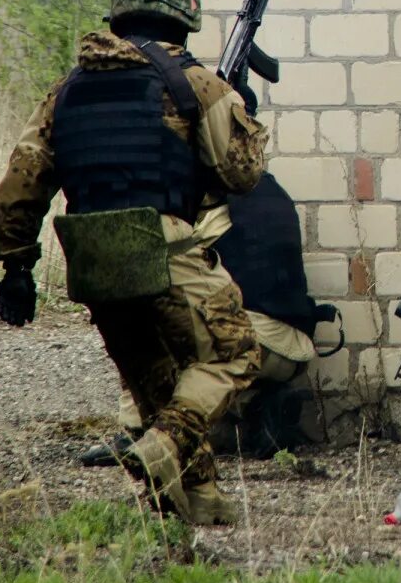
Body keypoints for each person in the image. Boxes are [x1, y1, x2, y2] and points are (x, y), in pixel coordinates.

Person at [0, 0, 267, 523]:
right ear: (183, 22)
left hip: (91, 254)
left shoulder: (65, 90)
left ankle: (196, 502)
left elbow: (22, 181)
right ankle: (162, 448)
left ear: (118, 18)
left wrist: (15, 270)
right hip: (160, 243)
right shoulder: (191, 82)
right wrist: (244, 120)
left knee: (160, 383)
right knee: (236, 352)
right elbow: (242, 175)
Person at [79, 172, 333, 465]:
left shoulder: (201, 201)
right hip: (292, 352)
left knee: (136, 314)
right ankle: (262, 407)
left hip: (249, 344)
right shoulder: (266, 186)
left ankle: (137, 431)